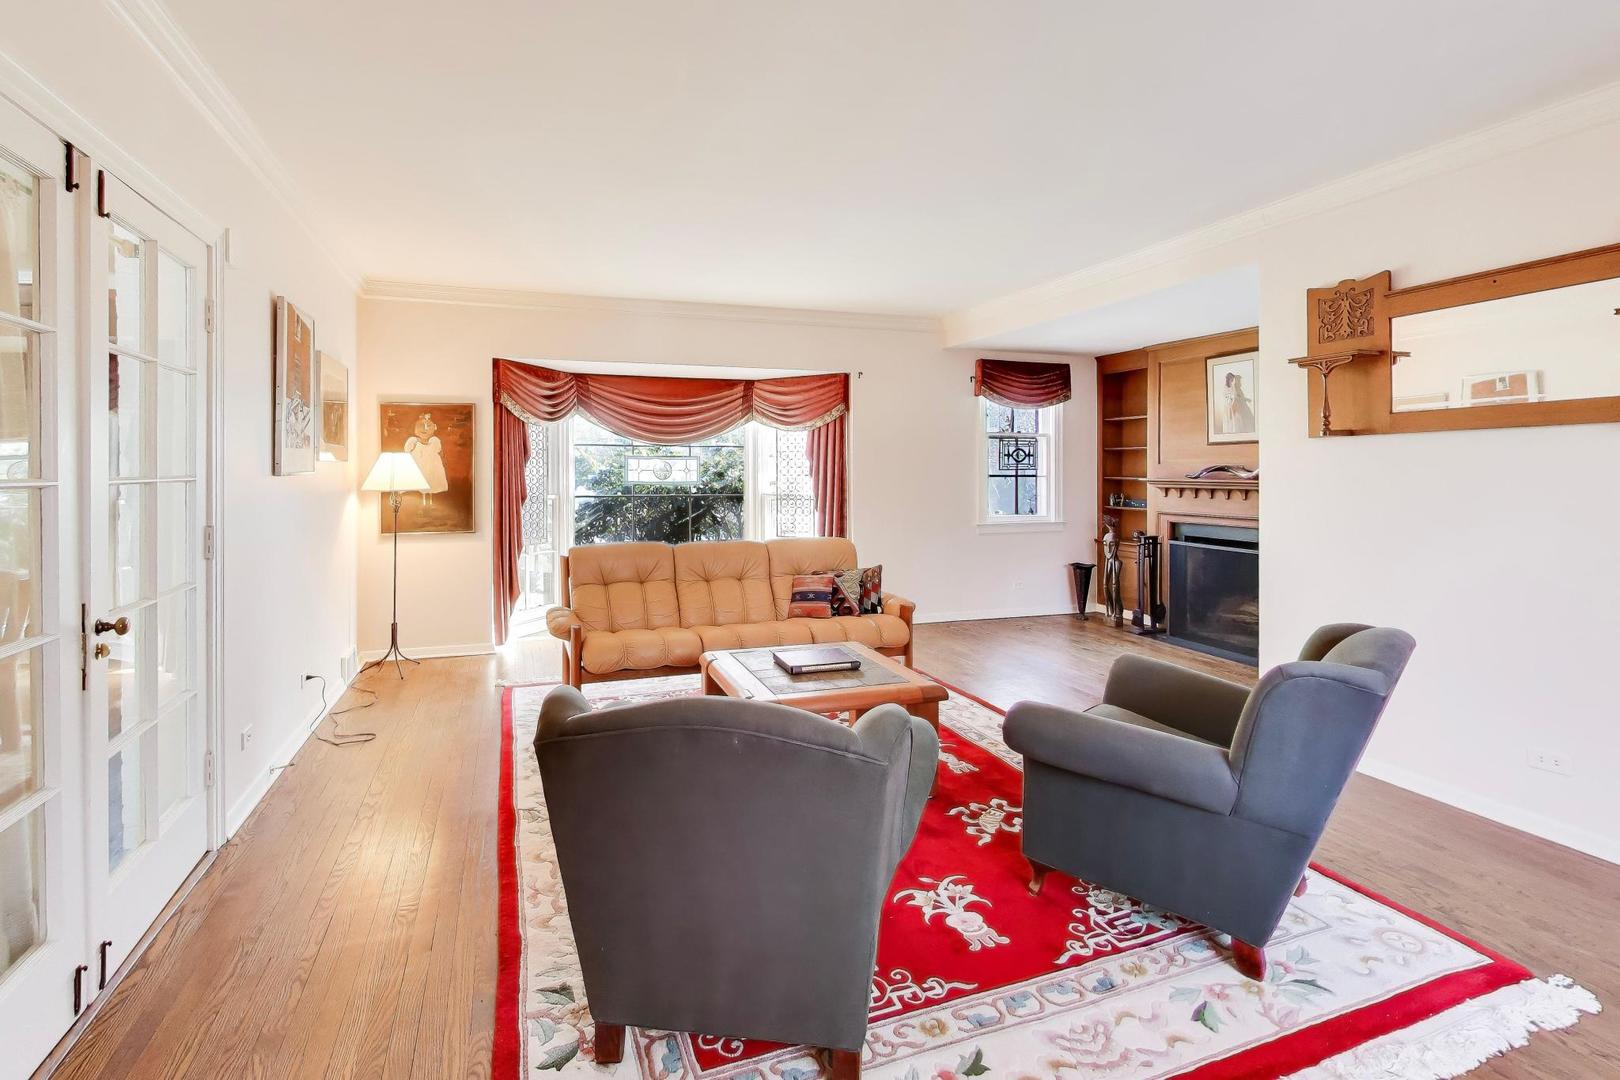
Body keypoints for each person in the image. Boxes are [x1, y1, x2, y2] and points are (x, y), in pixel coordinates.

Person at [404, 413, 449, 506]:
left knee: (431, 484)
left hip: (431, 467)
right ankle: (421, 504)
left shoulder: (434, 441)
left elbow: (437, 449)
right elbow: (407, 450)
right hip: (419, 467)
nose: (425, 429)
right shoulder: (413, 441)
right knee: (420, 485)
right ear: (415, 430)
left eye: (428, 426)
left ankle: (430, 504)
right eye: (421, 426)